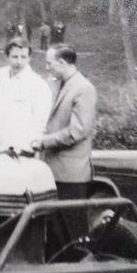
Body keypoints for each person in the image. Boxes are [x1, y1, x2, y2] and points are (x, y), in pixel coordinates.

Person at [30, 43, 97, 238]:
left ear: (62, 62)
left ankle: (81, 265)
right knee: (55, 231)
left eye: (49, 63)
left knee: (74, 231)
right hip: (52, 171)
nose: (47, 67)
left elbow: (78, 131)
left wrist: (43, 142)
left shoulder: (84, 89)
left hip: (70, 175)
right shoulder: (56, 84)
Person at [0, 37, 52, 152]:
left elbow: (40, 122)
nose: (19, 61)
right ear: (7, 57)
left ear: (29, 58)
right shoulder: (1, 78)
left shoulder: (38, 84)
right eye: (15, 57)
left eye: (23, 57)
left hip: (22, 148)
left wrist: (29, 147)